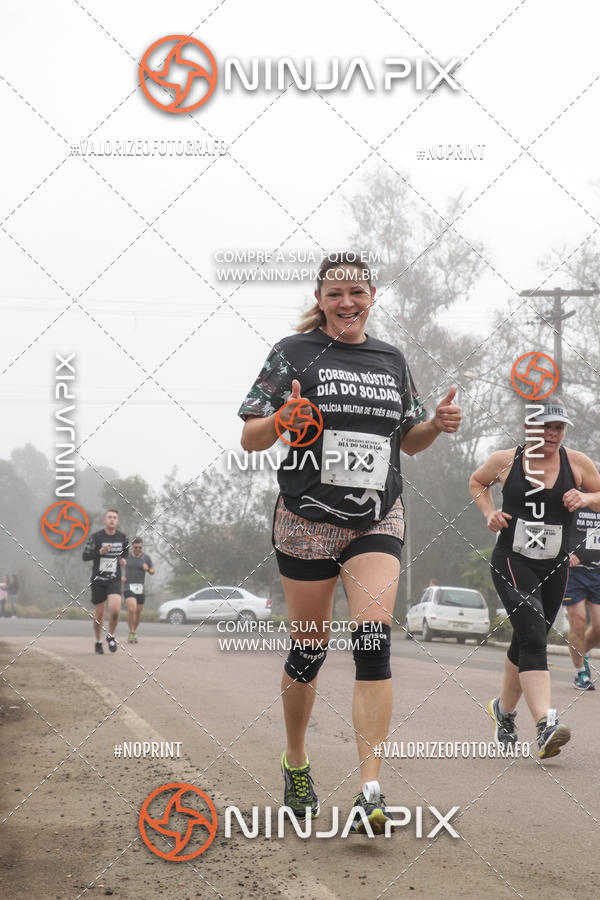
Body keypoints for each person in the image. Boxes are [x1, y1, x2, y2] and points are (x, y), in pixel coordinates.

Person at [238, 251, 461, 833]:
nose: (346, 303)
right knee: (309, 653)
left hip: (375, 519)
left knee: (371, 642)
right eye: (334, 293)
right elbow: (250, 437)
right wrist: (282, 419)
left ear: (372, 296)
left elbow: (407, 441)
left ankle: (370, 789)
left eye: (356, 292)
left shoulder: (391, 359)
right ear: (320, 299)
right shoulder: (292, 353)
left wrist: (435, 424)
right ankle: (296, 758)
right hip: (307, 519)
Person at [469, 399, 600, 758]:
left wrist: (587, 496)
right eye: (546, 427)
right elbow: (478, 482)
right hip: (513, 559)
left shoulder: (577, 464)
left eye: (559, 428)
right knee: (531, 635)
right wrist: (489, 512)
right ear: (531, 429)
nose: (554, 434)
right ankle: (545, 724)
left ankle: (504, 712)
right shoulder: (506, 460)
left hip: (555, 564)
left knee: (531, 637)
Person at [563, 494, 600, 690]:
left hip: (598, 573)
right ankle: (580, 673)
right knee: (577, 619)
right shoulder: (576, 500)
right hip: (575, 573)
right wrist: (565, 553)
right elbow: (556, 526)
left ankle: (581, 651)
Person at [82, 510, 128, 654]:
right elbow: (85, 556)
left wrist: (124, 560)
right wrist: (99, 553)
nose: (112, 520)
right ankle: (98, 641)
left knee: (115, 609)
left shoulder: (122, 537)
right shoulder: (96, 537)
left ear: (117, 521)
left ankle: (111, 636)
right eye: (109, 517)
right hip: (98, 580)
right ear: (105, 520)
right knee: (100, 613)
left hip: (114, 579)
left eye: (114, 518)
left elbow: (125, 552)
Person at [122, 537, 154, 643]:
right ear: (132, 546)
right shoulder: (126, 557)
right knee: (132, 609)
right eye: (136, 547)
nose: (138, 549)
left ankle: (133, 632)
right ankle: (131, 632)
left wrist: (148, 569)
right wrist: (120, 578)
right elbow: (117, 567)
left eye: (140, 547)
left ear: (142, 546)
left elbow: (153, 571)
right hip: (128, 587)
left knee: (138, 613)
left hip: (140, 588)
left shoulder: (146, 558)